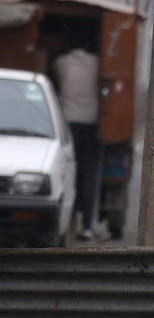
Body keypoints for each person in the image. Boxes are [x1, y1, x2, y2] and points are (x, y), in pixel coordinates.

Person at [53, 40, 103, 242]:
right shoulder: (96, 62)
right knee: (89, 171)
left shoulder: (61, 61)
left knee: (68, 170)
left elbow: (55, 76)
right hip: (90, 121)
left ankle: (65, 219)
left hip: (67, 122)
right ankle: (88, 225)